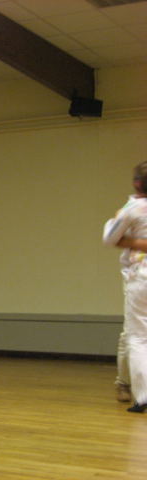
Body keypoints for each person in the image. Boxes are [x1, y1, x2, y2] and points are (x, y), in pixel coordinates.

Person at [103, 160, 147, 413]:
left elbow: (110, 238)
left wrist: (129, 241)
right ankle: (128, 385)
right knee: (136, 334)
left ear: (137, 184)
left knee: (137, 337)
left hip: (141, 276)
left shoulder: (131, 209)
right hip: (139, 276)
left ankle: (142, 396)